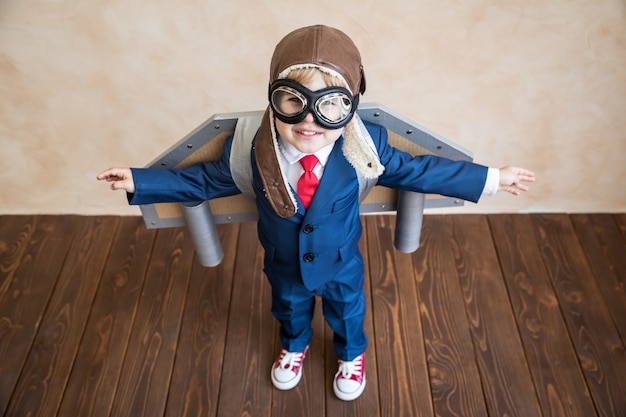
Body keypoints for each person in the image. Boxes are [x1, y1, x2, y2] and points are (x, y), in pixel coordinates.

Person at [97, 25, 535, 401]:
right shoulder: (253, 149)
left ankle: (350, 355)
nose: (309, 121)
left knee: (347, 311)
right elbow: (203, 180)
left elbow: (420, 170)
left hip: (341, 261)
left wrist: (492, 178)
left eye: (330, 105)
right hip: (283, 262)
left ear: (351, 107)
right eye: (293, 102)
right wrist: (142, 181)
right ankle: (295, 345)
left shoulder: (366, 148)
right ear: (273, 99)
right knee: (288, 309)